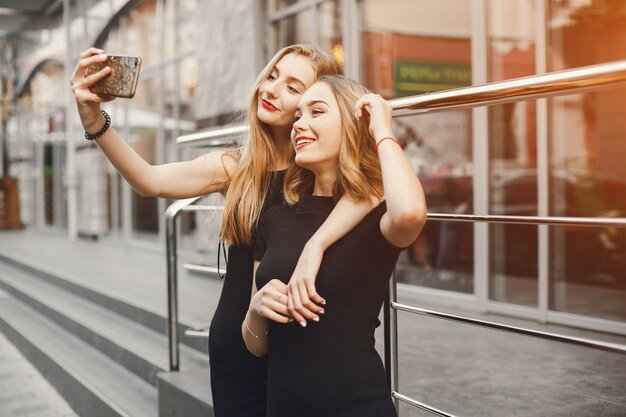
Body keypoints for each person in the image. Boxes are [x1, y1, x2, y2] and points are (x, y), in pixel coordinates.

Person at [70, 45, 376, 417]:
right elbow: (149, 181)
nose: (271, 89)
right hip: (239, 340)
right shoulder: (235, 169)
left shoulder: (328, 176)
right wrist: (94, 122)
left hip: (307, 352)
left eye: (293, 87)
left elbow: (376, 189)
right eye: (273, 75)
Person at [243, 75, 427, 417]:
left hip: (356, 406)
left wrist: (381, 129)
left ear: (352, 124)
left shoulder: (374, 215)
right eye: (298, 115)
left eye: (317, 111)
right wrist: (256, 310)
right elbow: (256, 346)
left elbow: (411, 213)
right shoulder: (274, 219)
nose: (300, 123)